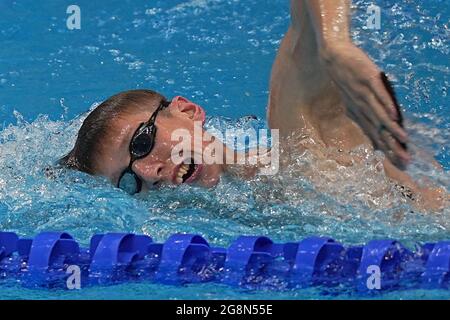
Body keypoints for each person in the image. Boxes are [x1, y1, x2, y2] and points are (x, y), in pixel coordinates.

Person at [60, 0, 446, 210]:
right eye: (129, 182)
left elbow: (304, 18)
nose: (149, 172)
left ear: (189, 111)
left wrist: (333, 45)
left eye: (141, 143)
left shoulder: (300, 137)